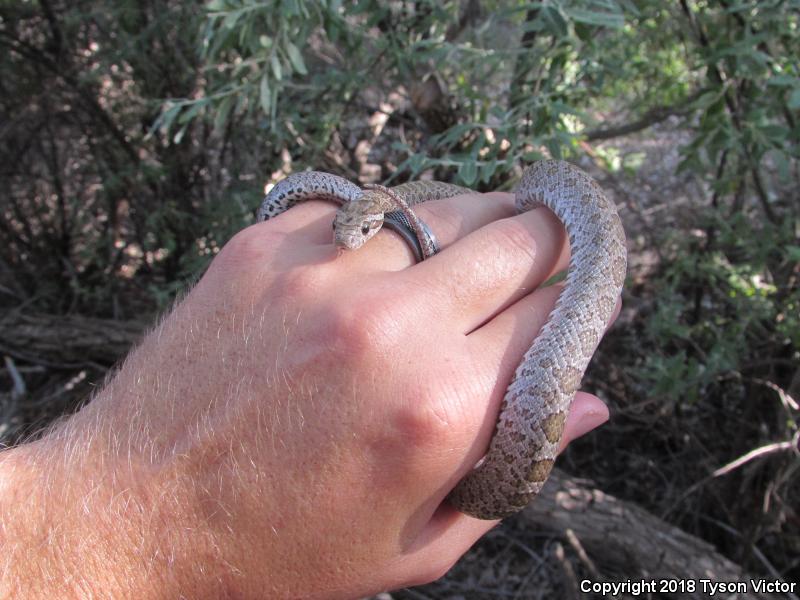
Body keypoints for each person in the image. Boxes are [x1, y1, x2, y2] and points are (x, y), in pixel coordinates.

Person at [0, 188, 619, 598]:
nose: (347, 241)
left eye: (363, 229)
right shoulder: (351, 210)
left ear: (378, 216)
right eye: (349, 231)